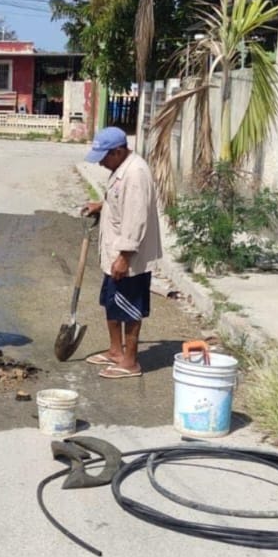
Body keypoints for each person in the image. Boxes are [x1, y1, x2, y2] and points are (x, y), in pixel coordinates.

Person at [80, 126, 163, 378]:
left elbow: (136, 218)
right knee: (111, 303)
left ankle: (130, 362)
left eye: (105, 157)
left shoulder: (136, 173)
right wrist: (101, 206)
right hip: (114, 253)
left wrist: (125, 257)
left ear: (118, 151)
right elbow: (119, 201)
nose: (102, 163)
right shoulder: (120, 169)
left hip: (128, 257)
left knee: (129, 308)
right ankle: (115, 351)